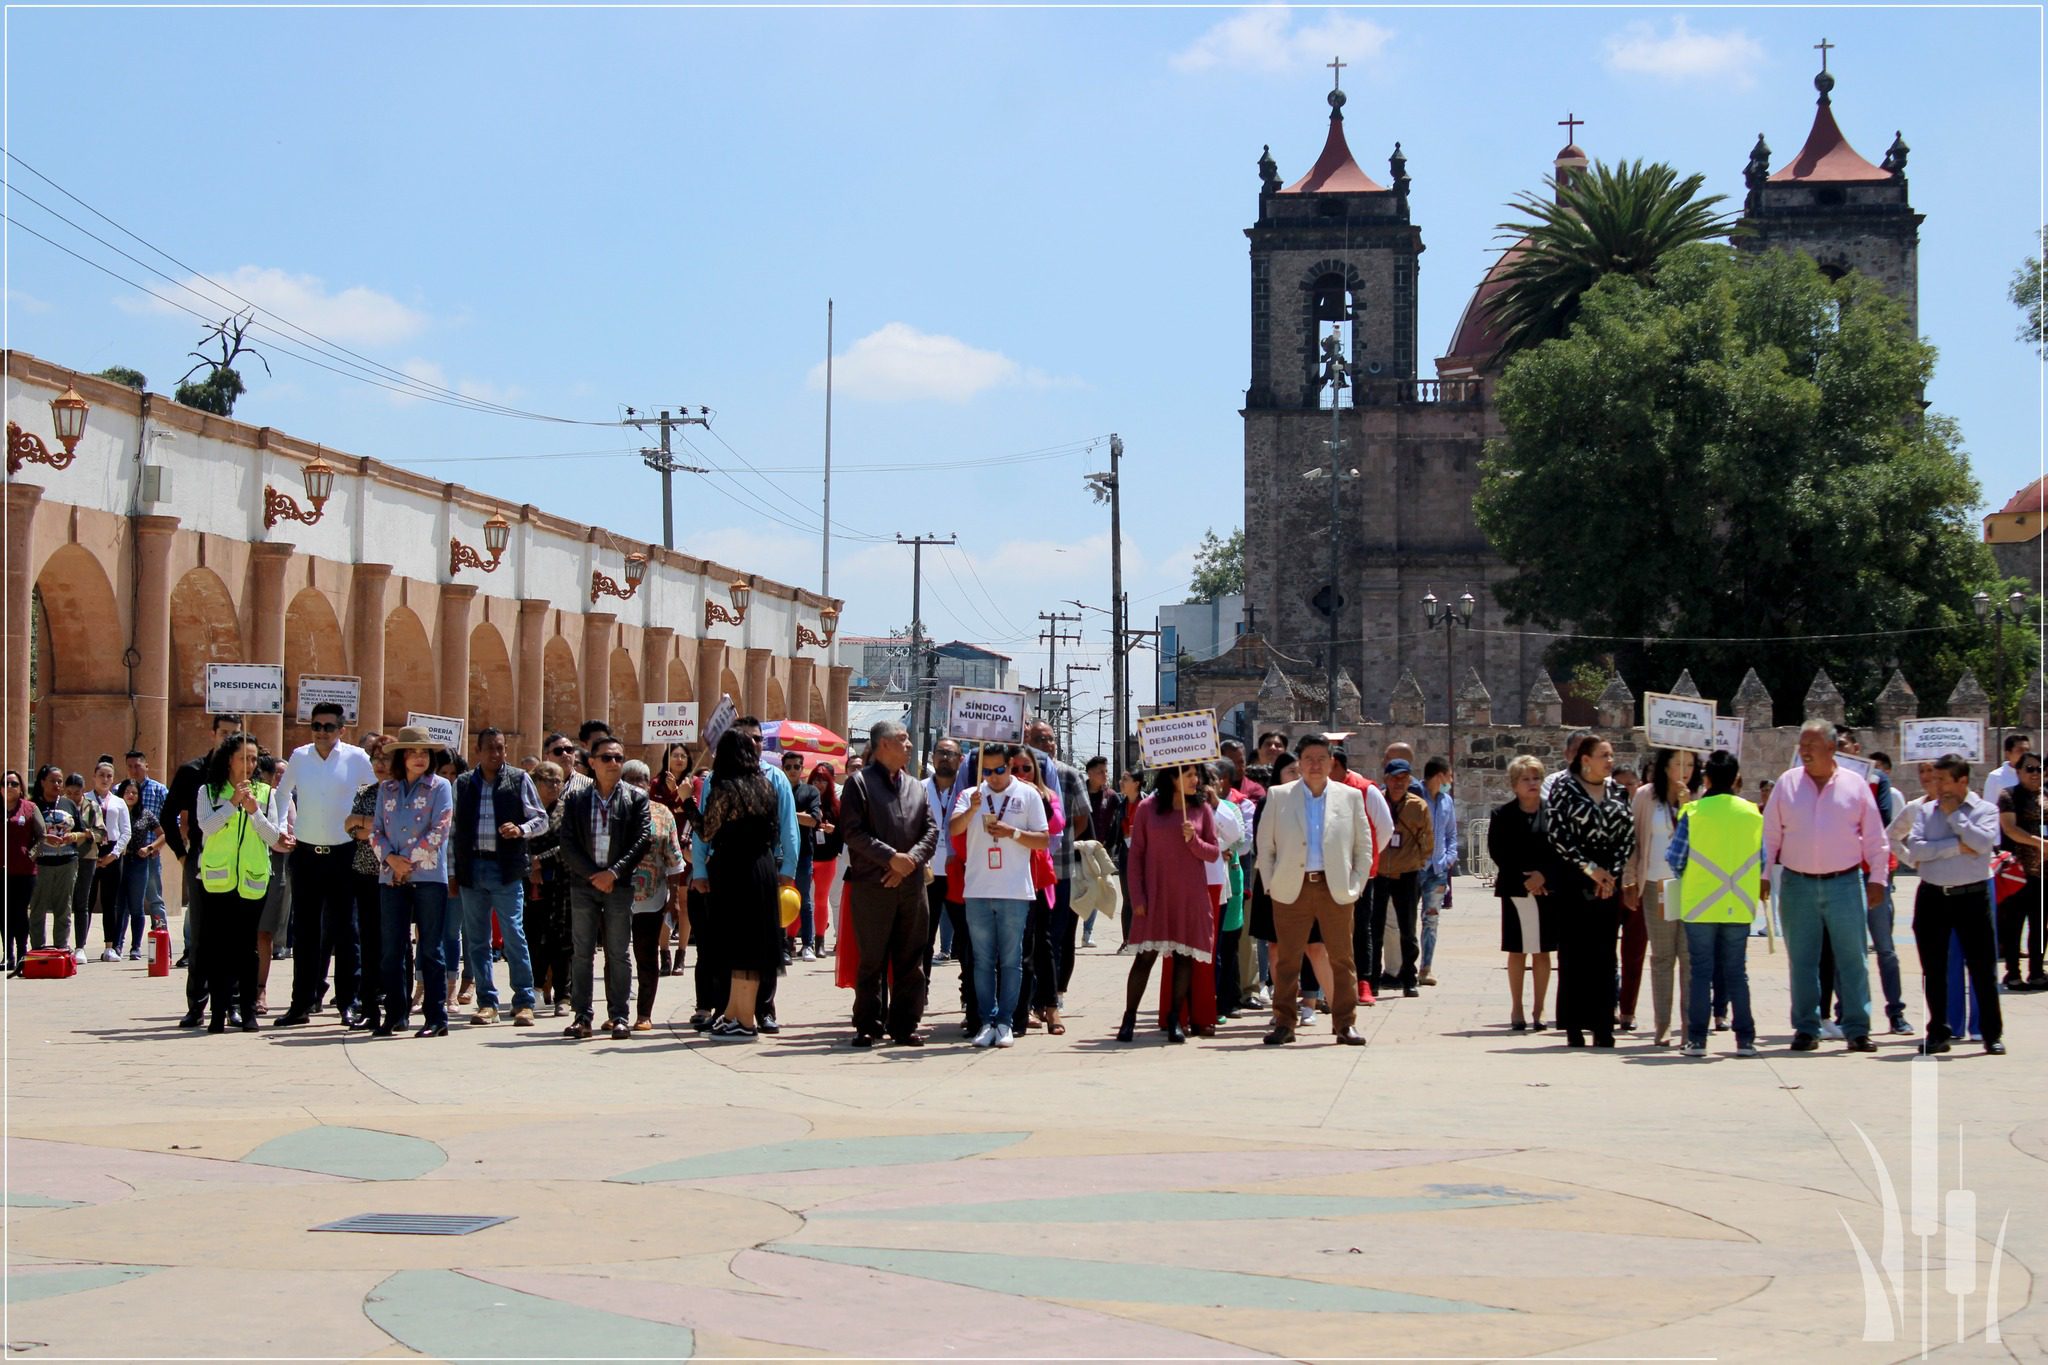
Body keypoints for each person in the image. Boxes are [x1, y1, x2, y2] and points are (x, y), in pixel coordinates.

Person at [1763, 719, 1889, 1054]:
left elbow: (1875, 837)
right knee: (1802, 960)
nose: (1804, 750)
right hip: (1797, 884)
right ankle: (1806, 1028)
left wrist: (1877, 878)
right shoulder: (1786, 784)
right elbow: (1770, 835)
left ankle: (1858, 1029)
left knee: (1853, 959)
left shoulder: (1855, 786)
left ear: (1831, 749)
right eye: (1801, 744)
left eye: (1811, 744)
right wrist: (1764, 874)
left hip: (1845, 883)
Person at [1254, 733, 1378, 1045]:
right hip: (1290, 890)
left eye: (1321, 758)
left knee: (1342, 959)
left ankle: (1344, 1023)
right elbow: (1264, 847)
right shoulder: (1280, 796)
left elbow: (1364, 846)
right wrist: (1271, 885)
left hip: (1334, 888)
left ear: (1331, 762)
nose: (1314, 765)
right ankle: (1284, 1023)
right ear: (1299, 761)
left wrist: (1356, 884)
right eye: (1308, 758)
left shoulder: (1349, 798)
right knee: (1287, 961)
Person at [689, 717, 799, 1034]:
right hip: (762, 865)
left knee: (734, 945)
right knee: (752, 947)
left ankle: (745, 1018)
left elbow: (706, 831)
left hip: (733, 867)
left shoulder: (724, 786)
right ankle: (738, 1013)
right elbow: (783, 830)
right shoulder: (767, 783)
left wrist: (686, 801)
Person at [270, 702, 376, 1028]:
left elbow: (378, 792)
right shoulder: (300, 757)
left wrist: (366, 826)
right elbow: (281, 794)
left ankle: (349, 1002)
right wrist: (279, 831)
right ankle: (301, 1003)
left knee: (346, 931)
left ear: (341, 730)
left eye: (329, 727)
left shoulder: (357, 758)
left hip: (345, 853)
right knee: (304, 933)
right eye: (316, 726)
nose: (321, 732)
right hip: (305, 854)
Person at [838, 719, 940, 1047]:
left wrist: (909, 861)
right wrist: (889, 859)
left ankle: (905, 1024)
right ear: (884, 744)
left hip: (911, 885)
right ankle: (868, 1023)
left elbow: (931, 830)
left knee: (911, 958)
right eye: (903, 739)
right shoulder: (860, 784)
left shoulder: (916, 786)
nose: (909, 745)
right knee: (872, 960)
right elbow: (853, 832)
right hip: (873, 885)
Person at [950, 744, 1050, 1048]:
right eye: (987, 771)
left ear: (1010, 765)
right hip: (978, 889)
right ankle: (985, 1020)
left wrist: (1013, 833)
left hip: (1015, 890)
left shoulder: (1028, 794)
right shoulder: (971, 795)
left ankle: (1006, 1021)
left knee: (1011, 960)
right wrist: (970, 810)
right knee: (981, 961)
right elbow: (954, 829)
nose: (993, 777)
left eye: (999, 770)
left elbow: (1043, 840)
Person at [1906, 754, 2007, 1056]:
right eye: (1934, 779)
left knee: (1982, 968)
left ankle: (1991, 1034)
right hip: (1933, 896)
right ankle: (1938, 1030)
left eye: (1942, 779)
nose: (1936, 785)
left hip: (1972, 897)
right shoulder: (1925, 811)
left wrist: (1955, 818)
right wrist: (1955, 846)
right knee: (1933, 968)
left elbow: (1982, 844)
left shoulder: (1986, 810)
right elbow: (1916, 850)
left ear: (1962, 781)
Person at [1665, 749, 1762, 1057]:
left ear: (1705, 779)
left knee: (1701, 972)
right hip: (1739, 903)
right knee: (1736, 972)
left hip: (1700, 904)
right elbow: (1761, 857)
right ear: (1736, 779)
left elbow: (1675, 858)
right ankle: (1745, 1039)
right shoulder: (1753, 813)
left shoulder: (1693, 813)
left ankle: (1696, 1039)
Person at [450, 727, 546, 1028]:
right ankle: (486, 1002)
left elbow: (540, 818)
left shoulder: (518, 779)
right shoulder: (464, 784)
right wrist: (452, 873)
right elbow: (452, 832)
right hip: (472, 869)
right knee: (476, 940)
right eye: (490, 748)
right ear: (478, 751)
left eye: (501, 748)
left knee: (514, 936)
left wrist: (522, 830)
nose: (497, 754)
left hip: (506, 869)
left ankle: (523, 1001)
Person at [557, 735, 652, 1041]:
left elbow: (642, 840)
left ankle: (620, 1016)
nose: (613, 763)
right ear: (592, 762)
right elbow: (567, 843)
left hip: (619, 885)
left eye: (618, 758)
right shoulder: (576, 799)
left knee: (618, 952)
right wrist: (592, 875)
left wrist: (613, 873)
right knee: (582, 952)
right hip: (584, 884)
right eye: (607, 758)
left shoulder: (635, 798)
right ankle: (582, 1016)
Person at [1121, 763, 1222, 1043]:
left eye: (1196, 775)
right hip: (1155, 895)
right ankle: (1129, 1017)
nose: (1195, 780)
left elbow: (1214, 853)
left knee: (1184, 958)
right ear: (1171, 778)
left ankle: (1176, 1018)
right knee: (1145, 958)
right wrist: (1137, 896)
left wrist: (1194, 841)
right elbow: (1136, 856)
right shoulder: (1148, 808)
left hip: (1190, 895)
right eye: (1188, 775)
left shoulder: (1201, 809)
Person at [193, 732, 286, 1032]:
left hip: (252, 880)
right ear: (229, 760)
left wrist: (254, 811)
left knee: (248, 948)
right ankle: (218, 1012)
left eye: (253, 758)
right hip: (218, 881)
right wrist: (232, 804)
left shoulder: (266, 793)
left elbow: (273, 837)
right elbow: (207, 826)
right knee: (218, 947)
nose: (248, 763)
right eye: (242, 758)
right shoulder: (208, 791)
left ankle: (247, 1011)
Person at [1546, 734, 1634, 1049]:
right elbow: (1557, 835)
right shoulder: (1564, 789)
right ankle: (1574, 1024)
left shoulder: (1618, 792)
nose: (1610, 761)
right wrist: (1590, 870)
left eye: (1611, 755)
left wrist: (1610, 876)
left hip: (1608, 884)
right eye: (1604, 755)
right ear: (1586, 759)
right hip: (1574, 881)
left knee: (1605, 954)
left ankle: (1602, 1024)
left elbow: (1628, 836)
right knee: (1575, 953)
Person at [369, 727, 456, 1039]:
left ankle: (436, 1016)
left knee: (430, 947)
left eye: (424, 753)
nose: (419, 758)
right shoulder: (387, 789)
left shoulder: (440, 786)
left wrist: (406, 860)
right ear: (402, 757)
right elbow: (375, 830)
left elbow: (439, 829)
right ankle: (395, 1013)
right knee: (392, 948)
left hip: (428, 875)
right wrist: (392, 860)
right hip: (391, 876)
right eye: (413, 752)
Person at [163, 713, 246, 1026]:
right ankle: (197, 1006)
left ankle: (233, 1005)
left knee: (236, 938)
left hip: (238, 864)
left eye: (234, 734)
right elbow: (168, 813)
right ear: (213, 733)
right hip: (201, 862)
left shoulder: (244, 774)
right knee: (201, 938)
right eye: (224, 732)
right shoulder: (193, 772)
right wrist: (182, 854)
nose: (228, 739)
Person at [1622, 748, 1695, 1047]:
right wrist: (1629, 878)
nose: (1684, 769)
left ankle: (1690, 1026)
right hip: (1657, 883)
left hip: (1689, 886)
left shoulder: (1699, 796)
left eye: (1689, 763)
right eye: (1678, 763)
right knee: (1663, 956)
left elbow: (1699, 840)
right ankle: (1662, 1024)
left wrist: (1686, 805)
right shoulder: (1645, 796)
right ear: (1665, 766)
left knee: (1689, 957)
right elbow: (1634, 840)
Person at [1488, 755, 1562, 1031]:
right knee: (1518, 950)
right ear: (1514, 785)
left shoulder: (1553, 813)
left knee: (1543, 951)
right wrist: (1526, 879)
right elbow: (1499, 852)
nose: (1532, 784)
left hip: (1547, 889)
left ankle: (1539, 1009)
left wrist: (1544, 876)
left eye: (1536, 778)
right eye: (1526, 779)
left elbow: (1561, 851)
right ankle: (1517, 1007)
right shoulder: (1502, 815)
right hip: (1516, 890)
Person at [1022, 720, 1090, 1016]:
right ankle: (1030, 997)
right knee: (1029, 938)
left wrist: (1057, 843)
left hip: (1059, 870)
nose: (1047, 745)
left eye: (1050, 739)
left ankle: (1051, 996)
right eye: (1040, 739)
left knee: (1057, 934)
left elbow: (1081, 820)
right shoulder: (1015, 774)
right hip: (1023, 871)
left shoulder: (1069, 775)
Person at [620, 758, 686, 1031]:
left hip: (652, 895)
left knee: (646, 954)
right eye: (631, 779)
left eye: (642, 780)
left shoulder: (662, 813)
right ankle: (617, 1012)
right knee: (617, 956)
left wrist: (674, 899)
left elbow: (674, 859)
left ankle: (644, 1013)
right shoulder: (614, 811)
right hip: (617, 895)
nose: (637, 785)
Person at [1370, 759, 1432, 998]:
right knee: (1374, 930)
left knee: (1407, 929)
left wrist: (1417, 862)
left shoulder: (1418, 806)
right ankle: (1372, 979)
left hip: (1407, 873)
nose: (1399, 783)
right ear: (1386, 778)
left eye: (1404, 778)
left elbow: (1427, 839)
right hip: (1379, 873)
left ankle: (1409, 978)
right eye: (1395, 778)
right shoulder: (1377, 802)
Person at [523, 760, 574, 1014]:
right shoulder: (526, 811)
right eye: (548, 779)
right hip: (530, 886)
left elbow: (568, 845)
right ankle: (534, 990)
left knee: (561, 940)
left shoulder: (567, 811)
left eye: (558, 780)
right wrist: (529, 866)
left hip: (561, 885)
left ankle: (563, 995)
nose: (554, 785)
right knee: (533, 937)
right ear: (535, 782)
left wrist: (539, 862)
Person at [1995, 750, 2047, 989]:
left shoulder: (2046, 797)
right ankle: (2013, 974)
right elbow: (2010, 829)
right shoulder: (2008, 796)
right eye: (2030, 769)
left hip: (2043, 872)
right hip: (2016, 871)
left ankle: (2037, 972)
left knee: (2039, 924)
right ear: (2018, 772)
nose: (2035, 774)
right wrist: (2039, 843)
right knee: (2013, 923)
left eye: (2039, 769)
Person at [28, 765, 88, 957]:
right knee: (38, 907)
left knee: (64, 907)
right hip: (42, 864)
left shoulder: (68, 804)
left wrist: (74, 837)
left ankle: (61, 948)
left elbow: (83, 832)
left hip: (67, 862)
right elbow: (27, 836)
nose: (57, 784)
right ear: (42, 782)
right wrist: (44, 839)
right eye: (52, 780)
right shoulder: (33, 805)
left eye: (59, 781)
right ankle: (37, 949)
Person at [111, 778, 163, 959]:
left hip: (139, 863)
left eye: (134, 792)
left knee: (137, 906)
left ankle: (135, 947)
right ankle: (116, 945)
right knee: (120, 906)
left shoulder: (145, 814)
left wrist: (150, 848)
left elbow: (162, 835)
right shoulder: (116, 811)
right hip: (119, 861)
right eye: (127, 792)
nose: (131, 795)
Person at [1417, 757, 1456, 987]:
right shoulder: (1416, 795)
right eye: (1449, 776)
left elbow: (1451, 833)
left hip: (1437, 869)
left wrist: (1449, 858)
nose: (1450, 781)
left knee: (1431, 919)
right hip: (1415, 868)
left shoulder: (1446, 802)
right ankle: (1404, 966)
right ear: (1439, 775)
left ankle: (1426, 968)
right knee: (1407, 920)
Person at [923, 739, 963, 967]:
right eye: (941, 752)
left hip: (959, 870)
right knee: (924, 938)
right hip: (928, 873)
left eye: (951, 753)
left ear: (960, 759)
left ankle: (969, 997)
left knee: (965, 937)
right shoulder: (918, 788)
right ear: (932, 756)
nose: (945, 758)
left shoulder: (969, 792)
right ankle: (921, 993)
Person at [782, 749, 823, 964]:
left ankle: (808, 944)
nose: (792, 771)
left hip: (804, 853)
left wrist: (787, 814)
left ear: (802, 768)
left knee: (805, 899)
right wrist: (800, 816)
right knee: (781, 899)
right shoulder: (778, 789)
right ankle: (783, 947)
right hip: (780, 854)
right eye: (788, 767)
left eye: (796, 766)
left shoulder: (810, 792)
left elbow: (814, 820)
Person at [122, 750, 170, 934]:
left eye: (137, 766)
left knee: (154, 898)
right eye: (130, 767)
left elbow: (171, 821)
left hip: (150, 854)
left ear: (146, 766)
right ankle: (119, 943)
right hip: (126, 856)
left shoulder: (159, 790)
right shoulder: (120, 790)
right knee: (124, 900)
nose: (134, 770)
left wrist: (156, 846)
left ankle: (161, 936)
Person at [89, 762, 132, 960]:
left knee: (110, 901)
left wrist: (113, 854)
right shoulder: (86, 799)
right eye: (101, 775)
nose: (105, 779)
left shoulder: (118, 802)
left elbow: (126, 831)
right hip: (89, 850)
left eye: (109, 776)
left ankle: (110, 946)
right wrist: (91, 853)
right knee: (86, 901)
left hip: (112, 852)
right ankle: (80, 945)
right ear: (94, 776)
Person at [804, 761, 842, 961]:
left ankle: (819, 941)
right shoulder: (803, 800)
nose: (819, 784)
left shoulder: (835, 806)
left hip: (827, 859)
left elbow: (843, 834)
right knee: (804, 900)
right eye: (816, 780)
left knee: (821, 901)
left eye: (823, 781)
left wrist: (832, 830)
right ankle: (802, 941)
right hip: (807, 857)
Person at [5, 771, 43, 972]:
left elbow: (42, 836)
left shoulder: (30, 808)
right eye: (5, 783)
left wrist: (32, 855)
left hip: (24, 871)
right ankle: (8, 955)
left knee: (19, 912)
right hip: (2, 870)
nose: (9, 787)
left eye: (13, 783)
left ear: (20, 787)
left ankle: (22, 954)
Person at [1983, 733, 2030, 807]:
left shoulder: (2036, 775)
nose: (2025, 754)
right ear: (2008, 754)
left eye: (2027, 750)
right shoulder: (1995, 777)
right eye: (2020, 751)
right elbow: (1989, 808)